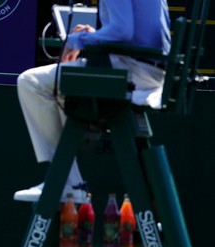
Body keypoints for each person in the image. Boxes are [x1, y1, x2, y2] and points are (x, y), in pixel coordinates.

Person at [13, 0, 170, 203]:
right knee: (63, 90)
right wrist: (94, 35)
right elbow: (135, 33)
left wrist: (75, 40)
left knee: (30, 82)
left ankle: (64, 182)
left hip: (131, 71)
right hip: (151, 71)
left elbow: (122, 31)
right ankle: (69, 181)